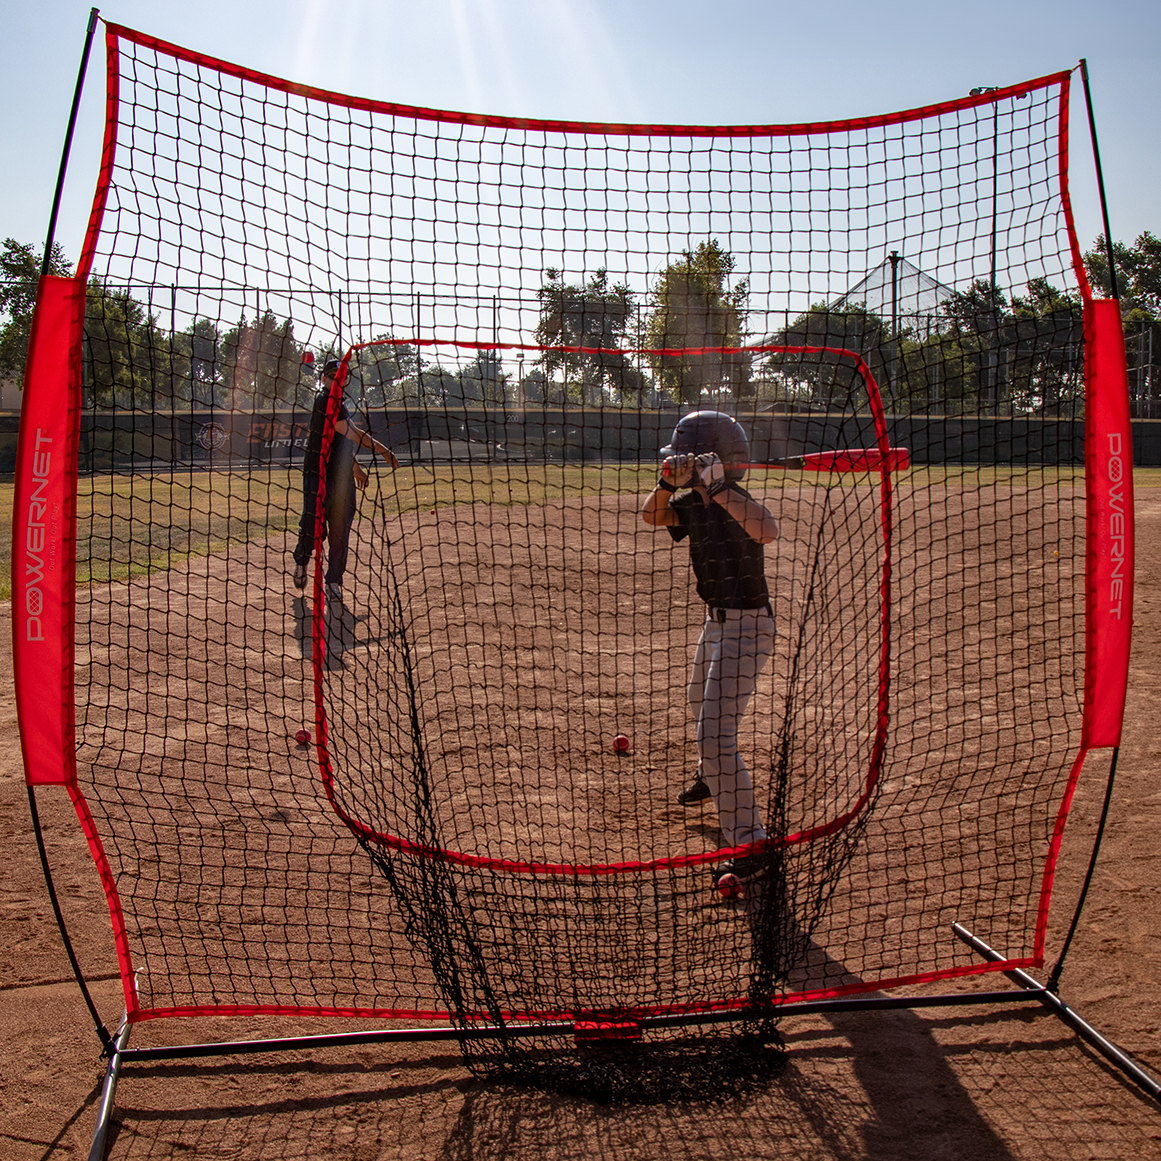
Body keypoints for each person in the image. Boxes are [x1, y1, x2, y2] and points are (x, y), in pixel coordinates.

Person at [642, 411, 779, 890]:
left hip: (748, 627)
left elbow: (767, 530)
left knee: (715, 733)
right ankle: (711, 778)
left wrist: (718, 488)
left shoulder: (733, 499)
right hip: (715, 624)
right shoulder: (691, 503)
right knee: (698, 701)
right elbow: (652, 515)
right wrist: (667, 483)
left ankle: (751, 843)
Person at [292, 358, 399, 607]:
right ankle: (302, 559)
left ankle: (332, 581)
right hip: (317, 476)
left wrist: (356, 468)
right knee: (313, 526)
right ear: (323, 379)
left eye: (341, 376)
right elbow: (354, 434)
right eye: (331, 376)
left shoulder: (340, 404)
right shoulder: (324, 401)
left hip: (340, 478)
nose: (337, 380)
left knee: (340, 531)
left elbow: (341, 442)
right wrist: (383, 451)